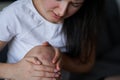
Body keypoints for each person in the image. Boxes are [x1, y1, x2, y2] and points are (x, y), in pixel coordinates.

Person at [0, 0, 105, 80]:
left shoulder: (85, 17)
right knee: (43, 54)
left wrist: (60, 60)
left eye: (75, 4)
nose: (62, 12)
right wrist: (15, 71)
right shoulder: (15, 13)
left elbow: (87, 65)